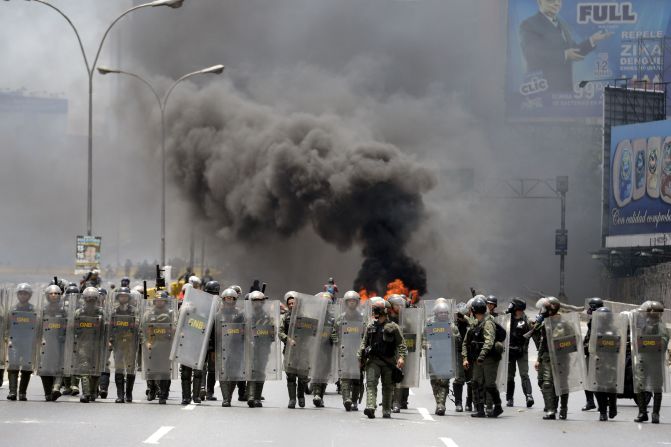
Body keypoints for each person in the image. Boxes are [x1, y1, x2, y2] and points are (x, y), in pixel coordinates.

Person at [519, 0, 611, 92]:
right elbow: (532, 54)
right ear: (539, 1)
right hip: (543, 89)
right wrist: (565, 54)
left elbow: (573, 50)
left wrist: (592, 39)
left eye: (559, 1)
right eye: (551, 0)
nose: (557, 3)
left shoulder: (563, 24)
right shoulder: (529, 24)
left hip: (564, 90)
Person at [358, 299, 407, 419]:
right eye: (374, 309)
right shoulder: (370, 326)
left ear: (385, 311)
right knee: (370, 384)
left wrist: (401, 357)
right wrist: (360, 357)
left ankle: (386, 410)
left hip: (389, 362)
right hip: (373, 360)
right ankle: (370, 407)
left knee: (388, 386)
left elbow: (402, 344)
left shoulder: (393, 327)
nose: (375, 312)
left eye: (377, 309)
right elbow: (364, 343)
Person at [462, 296, 504, 418]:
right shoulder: (476, 322)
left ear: (474, 311)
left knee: (489, 385)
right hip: (478, 359)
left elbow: (489, 341)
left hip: (489, 359)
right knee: (475, 382)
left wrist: (482, 356)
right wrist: (467, 358)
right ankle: (479, 408)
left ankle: (498, 406)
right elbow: (467, 339)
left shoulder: (488, 323)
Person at [633, 301, 669, 424]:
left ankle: (655, 413)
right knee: (639, 385)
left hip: (655, 361)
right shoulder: (643, 324)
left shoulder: (662, 327)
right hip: (643, 359)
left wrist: (654, 342)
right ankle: (642, 412)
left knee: (657, 387)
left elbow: (663, 345)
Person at [534, 296, 569, 420]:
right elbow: (542, 343)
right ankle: (551, 410)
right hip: (548, 357)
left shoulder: (564, 323)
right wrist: (538, 359)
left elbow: (572, 342)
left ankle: (563, 409)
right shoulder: (545, 323)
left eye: (545, 307)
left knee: (562, 384)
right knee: (547, 384)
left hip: (562, 358)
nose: (542, 310)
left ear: (552, 308)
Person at [423, 299, 459, 416]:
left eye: (445, 313)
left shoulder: (451, 325)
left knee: (444, 382)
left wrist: (452, 335)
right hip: (433, 357)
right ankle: (438, 401)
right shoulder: (430, 324)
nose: (443, 314)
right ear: (436, 313)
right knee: (435, 382)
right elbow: (423, 339)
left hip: (446, 358)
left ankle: (441, 404)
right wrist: (426, 345)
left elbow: (458, 338)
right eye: (441, 313)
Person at [332, 290, 365, 411]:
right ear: (346, 303)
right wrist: (336, 340)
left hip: (358, 352)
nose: (351, 303)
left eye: (354, 301)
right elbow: (334, 332)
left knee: (357, 378)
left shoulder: (362, 319)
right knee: (345, 377)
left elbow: (366, 335)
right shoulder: (341, 319)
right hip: (345, 351)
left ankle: (355, 401)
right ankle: (346, 399)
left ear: (357, 303)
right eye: (349, 301)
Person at [6, 283, 38, 401]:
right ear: (17, 295)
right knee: (13, 366)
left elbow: (38, 327)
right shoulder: (12, 310)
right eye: (21, 293)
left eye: (25, 293)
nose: (23, 296)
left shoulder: (33, 310)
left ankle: (23, 393)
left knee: (26, 367)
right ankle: (12, 392)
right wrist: (7, 339)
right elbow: (6, 327)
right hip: (14, 342)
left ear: (29, 295)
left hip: (29, 342)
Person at [142, 291, 175, 405]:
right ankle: (152, 389)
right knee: (150, 369)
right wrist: (146, 342)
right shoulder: (148, 314)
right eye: (157, 300)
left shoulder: (171, 313)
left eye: (162, 300)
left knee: (165, 371)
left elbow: (175, 328)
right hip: (152, 345)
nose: (159, 302)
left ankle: (163, 394)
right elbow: (143, 330)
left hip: (166, 346)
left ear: (165, 301)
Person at [245, 291, 276, 408]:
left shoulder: (267, 316)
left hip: (263, 347)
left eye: (259, 301)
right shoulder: (246, 315)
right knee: (252, 370)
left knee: (260, 371)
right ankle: (251, 396)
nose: (257, 304)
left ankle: (257, 397)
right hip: (249, 347)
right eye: (254, 301)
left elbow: (272, 333)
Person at [37, 285, 67, 401]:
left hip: (59, 343)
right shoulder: (43, 310)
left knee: (59, 366)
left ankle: (56, 388)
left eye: (56, 293)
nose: (54, 295)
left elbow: (68, 327)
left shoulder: (63, 311)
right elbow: (38, 327)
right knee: (44, 368)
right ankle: (47, 392)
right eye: (51, 293)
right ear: (47, 295)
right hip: (46, 343)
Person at [108, 287, 139, 403]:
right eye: (121, 296)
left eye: (125, 296)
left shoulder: (134, 312)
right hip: (118, 344)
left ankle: (129, 394)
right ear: (118, 297)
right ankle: (120, 395)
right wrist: (109, 340)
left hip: (131, 344)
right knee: (119, 369)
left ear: (129, 297)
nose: (123, 297)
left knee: (130, 369)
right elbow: (110, 328)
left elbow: (138, 327)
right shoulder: (114, 312)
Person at [216, 288, 246, 407]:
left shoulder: (240, 314)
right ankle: (225, 399)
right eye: (227, 298)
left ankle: (229, 395)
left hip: (236, 347)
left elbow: (246, 330)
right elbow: (212, 333)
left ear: (235, 300)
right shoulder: (218, 314)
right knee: (223, 372)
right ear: (223, 300)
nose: (229, 300)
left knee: (233, 373)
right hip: (221, 346)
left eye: (231, 298)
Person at [279, 292, 308, 409]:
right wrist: (288, 339)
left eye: (293, 303)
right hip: (290, 350)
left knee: (302, 376)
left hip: (304, 351)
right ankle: (292, 399)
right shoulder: (284, 317)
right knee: (290, 376)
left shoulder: (305, 317)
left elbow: (313, 331)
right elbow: (280, 332)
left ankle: (301, 396)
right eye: (289, 303)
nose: (291, 305)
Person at [506, 298, 534, 408]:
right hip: (509, 351)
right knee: (509, 376)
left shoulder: (526, 320)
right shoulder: (507, 319)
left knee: (524, 374)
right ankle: (509, 398)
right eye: (519, 310)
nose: (520, 312)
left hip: (521, 351)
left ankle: (529, 396)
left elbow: (533, 331)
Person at [583, 297, 604, 411]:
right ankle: (590, 402)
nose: (590, 309)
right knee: (587, 378)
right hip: (590, 353)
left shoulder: (602, 321)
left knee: (597, 380)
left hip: (598, 355)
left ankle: (602, 404)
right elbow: (589, 336)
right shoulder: (593, 320)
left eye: (592, 307)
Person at [202, 281, 220, 401]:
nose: (212, 295)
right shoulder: (200, 305)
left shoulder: (221, 305)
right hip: (201, 339)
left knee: (212, 369)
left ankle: (210, 392)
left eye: (214, 293)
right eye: (210, 293)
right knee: (201, 366)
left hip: (215, 341)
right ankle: (201, 388)